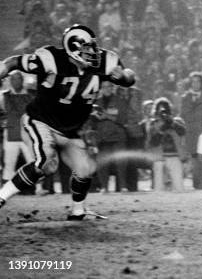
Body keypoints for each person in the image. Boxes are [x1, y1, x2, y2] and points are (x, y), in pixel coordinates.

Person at [0, 24, 135, 220]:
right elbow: (13, 62)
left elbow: (129, 77)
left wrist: (124, 76)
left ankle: (78, 211)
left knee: (86, 169)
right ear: (73, 49)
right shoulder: (51, 59)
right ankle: (2, 196)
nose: (93, 53)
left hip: (70, 130)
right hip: (41, 121)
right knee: (46, 163)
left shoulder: (105, 60)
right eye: (86, 49)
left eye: (93, 47)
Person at [147, 98, 186, 192]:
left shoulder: (174, 122)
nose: (162, 112)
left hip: (174, 155)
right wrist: (161, 130)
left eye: (165, 109)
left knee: (179, 187)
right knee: (159, 188)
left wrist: (171, 123)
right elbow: (153, 142)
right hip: (159, 158)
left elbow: (183, 131)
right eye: (160, 109)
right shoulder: (153, 123)